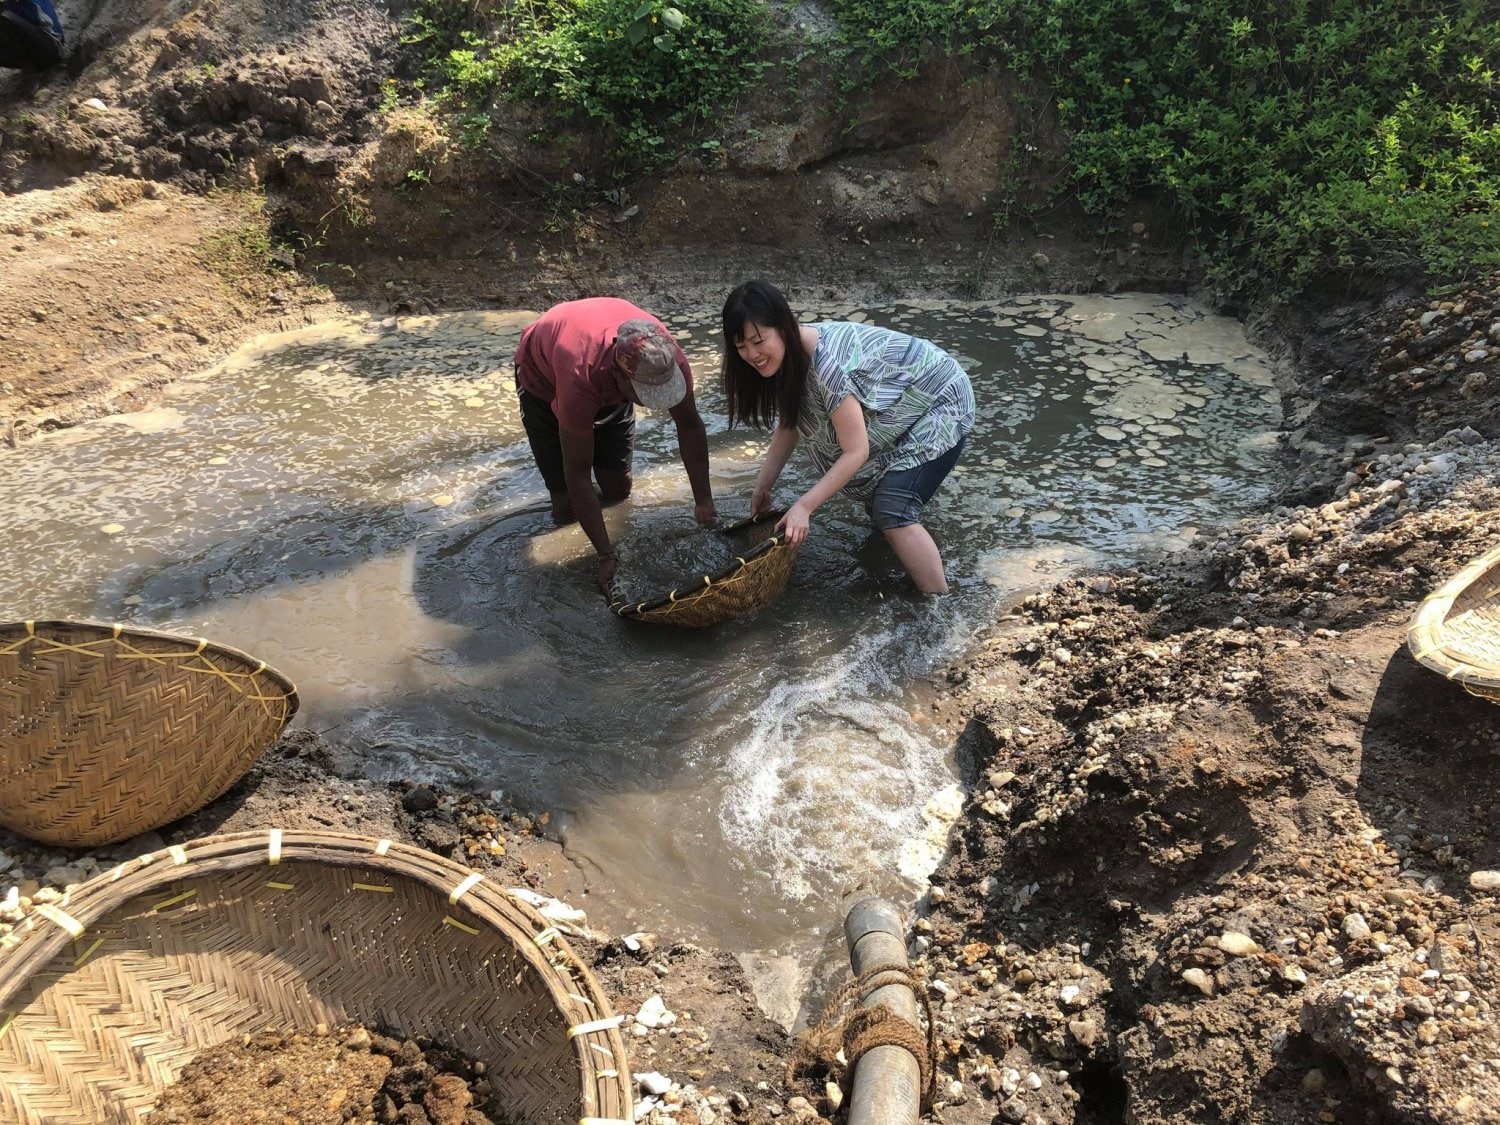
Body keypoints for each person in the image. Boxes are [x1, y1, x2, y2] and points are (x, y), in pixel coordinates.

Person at [721, 280, 974, 594]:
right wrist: (763, 486)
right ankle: (908, 558)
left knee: (892, 508)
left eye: (759, 341)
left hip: (942, 400)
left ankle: (939, 607)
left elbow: (856, 452)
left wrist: (803, 507)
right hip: (905, 404)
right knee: (883, 509)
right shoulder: (783, 361)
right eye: (741, 346)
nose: (752, 354)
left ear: (784, 327)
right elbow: (790, 422)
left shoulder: (828, 365)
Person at [514, 297, 717, 593]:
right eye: (647, 394)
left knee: (618, 489)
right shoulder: (579, 376)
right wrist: (606, 555)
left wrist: (705, 504)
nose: (656, 401)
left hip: (608, 379)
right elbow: (578, 473)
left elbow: (689, 425)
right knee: (566, 507)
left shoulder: (665, 358)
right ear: (620, 377)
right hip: (543, 381)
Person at [0, 0, 65, 71]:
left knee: (6, 18)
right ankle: (28, 64)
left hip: (52, 47)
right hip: (32, 53)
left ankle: (35, 63)